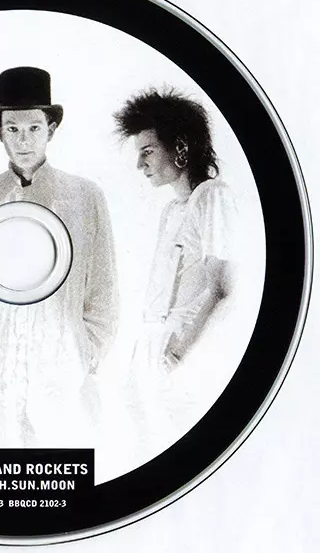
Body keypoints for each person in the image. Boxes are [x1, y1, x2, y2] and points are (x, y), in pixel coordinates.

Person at [0, 67, 119, 447]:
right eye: (12, 128)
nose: (23, 139)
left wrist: (84, 353)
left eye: (34, 128)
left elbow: (103, 286)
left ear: (51, 130)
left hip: (58, 367)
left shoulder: (84, 196)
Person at [114, 87, 238, 453]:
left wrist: (179, 352)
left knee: (181, 444)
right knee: (141, 444)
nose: (140, 165)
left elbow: (222, 287)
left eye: (148, 151)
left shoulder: (212, 195)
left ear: (180, 147)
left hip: (184, 350)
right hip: (153, 346)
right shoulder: (173, 209)